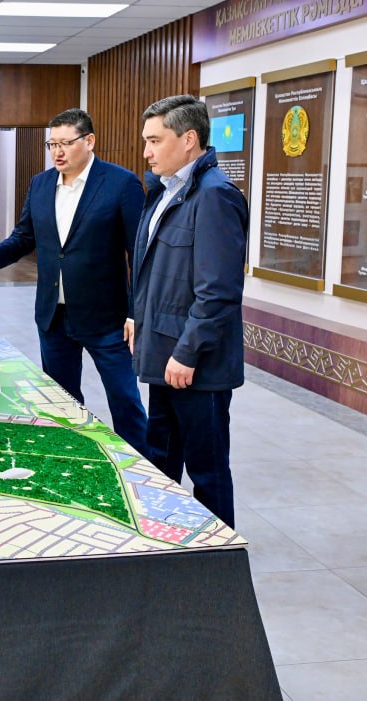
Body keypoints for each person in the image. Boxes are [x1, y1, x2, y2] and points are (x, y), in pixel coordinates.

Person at [0, 108, 148, 451]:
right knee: (62, 402)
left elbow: (139, 254)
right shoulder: (41, 183)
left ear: (89, 141)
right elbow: (24, 236)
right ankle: (75, 457)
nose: (57, 152)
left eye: (66, 143)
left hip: (106, 318)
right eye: (52, 144)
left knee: (125, 401)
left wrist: (135, 312)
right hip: (54, 316)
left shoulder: (121, 184)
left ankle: (141, 467)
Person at [132, 95, 248, 528]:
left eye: (155, 140)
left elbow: (218, 291)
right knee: (161, 461)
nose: (147, 152)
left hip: (195, 365)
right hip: (165, 356)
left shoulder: (215, 196)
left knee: (207, 471)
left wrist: (187, 352)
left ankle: (219, 557)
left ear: (189, 140)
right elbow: (158, 272)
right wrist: (137, 317)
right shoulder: (165, 192)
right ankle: (169, 546)